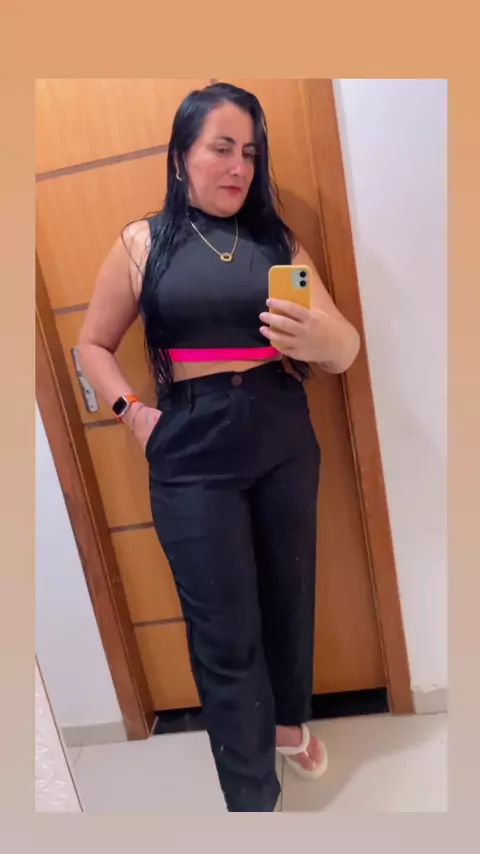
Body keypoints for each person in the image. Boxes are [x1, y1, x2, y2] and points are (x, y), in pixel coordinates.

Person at [78, 82, 360, 812]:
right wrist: (133, 414)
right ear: (181, 156)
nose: (239, 167)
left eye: (251, 153)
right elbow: (91, 344)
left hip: (280, 430)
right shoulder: (142, 243)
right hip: (189, 444)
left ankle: (288, 724)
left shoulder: (277, 241)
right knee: (222, 626)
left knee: (289, 593)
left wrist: (324, 337)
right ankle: (251, 796)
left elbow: (344, 350)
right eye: (222, 148)